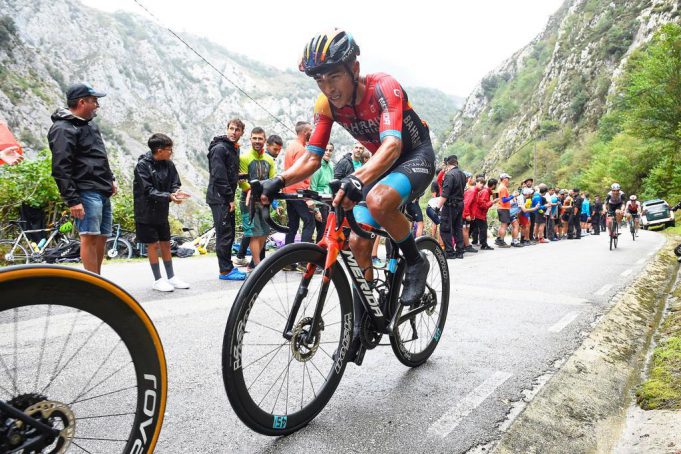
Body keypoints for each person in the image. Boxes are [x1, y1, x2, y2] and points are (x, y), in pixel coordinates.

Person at [261, 29, 436, 313]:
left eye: (334, 76)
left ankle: (416, 260)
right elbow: (312, 158)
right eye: (320, 80)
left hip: (415, 156)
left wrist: (355, 178)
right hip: (381, 163)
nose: (328, 88)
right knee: (357, 241)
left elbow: (392, 145)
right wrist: (277, 181)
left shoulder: (383, 87)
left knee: (378, 200)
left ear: (354, 69)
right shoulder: (326, 105)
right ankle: (364, 318)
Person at [48, 83, 117, 274]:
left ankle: (99, 280)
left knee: (102, 237)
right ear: (81, 102)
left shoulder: (90, 125)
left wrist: (111, 179)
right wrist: (73, 200)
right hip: (85, 191)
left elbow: (100, 156)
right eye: (94, 101)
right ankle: (92, 284)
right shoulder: (62, 128)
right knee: (89, 237)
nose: (97, 105)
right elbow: (61, 167)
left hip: (102, 190)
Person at [133, 133, 190, 291]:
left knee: (166, 242)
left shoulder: (169, 164)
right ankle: (158, 280)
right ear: (159, 150)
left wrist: (176, 192)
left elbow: (175, 183)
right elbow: (148, 190)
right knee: (153, 245)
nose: (171, 152)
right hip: (145, 211)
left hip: (161, 211)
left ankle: (171, 277)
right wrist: (169, 196)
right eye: (169, 149)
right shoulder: (142, 166)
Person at [207, 118, 247, 281]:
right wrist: (230, 198)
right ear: (227, 129)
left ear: (242, 132)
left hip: (224, 196)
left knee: (228, 233)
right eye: (231, 128)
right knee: (224, 234)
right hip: (220, 198)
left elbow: (229, 172)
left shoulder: (232, 148)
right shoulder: (220, 149)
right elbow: (219, 176)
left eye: (237, 130)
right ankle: (225, 271)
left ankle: (227, 266)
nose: (234, 132)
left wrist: (241, 176)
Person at [240, 127, 276, 271]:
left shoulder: (269, 159)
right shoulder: (244, 158)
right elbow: (242, 182)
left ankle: (255, 264)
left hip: (264, 200)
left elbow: (273, 179)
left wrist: (267, 194)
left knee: (264, 233)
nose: (257, 141)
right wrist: (253, 190)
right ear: (250, 139)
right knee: (254, 234)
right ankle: (258, 266)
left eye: (260, 138)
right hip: (249, 200)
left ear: (265, 140)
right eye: (254, 138)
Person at [283, 121, 315, 248]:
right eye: (310, 131)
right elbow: (299, 174)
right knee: (309, 221)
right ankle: (304, 257)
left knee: (293, 225)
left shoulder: (291, 146)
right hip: (298, 193)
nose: (312, 133)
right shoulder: (301, 150)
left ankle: (287, 257)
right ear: (305, 132)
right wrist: (307, 198)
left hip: (288, 192)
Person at [439, 155, 467, 259]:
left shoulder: (449, 175)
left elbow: (445, 194)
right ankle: (460, 251)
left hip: (450, 205)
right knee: (458, 228)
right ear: (456, 163)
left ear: (448, 164)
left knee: (445, 228)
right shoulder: (463, 174)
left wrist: (438, 207)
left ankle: (450, 252)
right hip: (460, 203)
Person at [310, 143, 334, 242]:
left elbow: (331, 185)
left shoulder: (331, 165)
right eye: (326, 150)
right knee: (320, 232)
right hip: (318, 203)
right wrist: (316, 210)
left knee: (324, 232)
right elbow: (313, 187)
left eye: (330, 150)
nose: (328, 152)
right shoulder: (317, 166)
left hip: (327, 202)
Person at [473, 179, 499, 250]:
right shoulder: (485, 192)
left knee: (478, 228)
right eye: (496, 185)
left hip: (479, 213)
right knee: (483, 229)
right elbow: (482, 205)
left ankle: (482, 244)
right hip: (480, 214)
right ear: (493, 185)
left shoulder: (486, 191)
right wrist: (493, 202)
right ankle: (484, 245)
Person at [495, 173, 514, 248]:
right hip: (503, 208)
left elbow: (497, 198)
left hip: (501, 208)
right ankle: (501, 242)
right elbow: (504, 200)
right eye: (507, 178)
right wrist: (512, 196)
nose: (508, 180)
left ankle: (499, 239)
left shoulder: (500, 187)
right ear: (504, 179)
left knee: (502, 225)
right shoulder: (503, 188)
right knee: (504, 226)